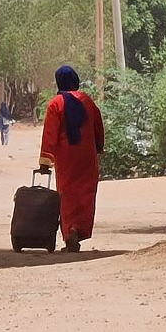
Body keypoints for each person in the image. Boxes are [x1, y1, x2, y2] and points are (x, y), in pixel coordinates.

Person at [38, 66, 104, 253]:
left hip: (66, 157)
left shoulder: (55, 104)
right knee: (85, 194)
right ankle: (78, 229)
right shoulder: (87, 101)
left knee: (66, 195)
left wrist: (45, 161)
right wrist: (98, 147)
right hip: (87, 155)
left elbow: (50, 135)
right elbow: (98, 125)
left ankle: (69, 233)